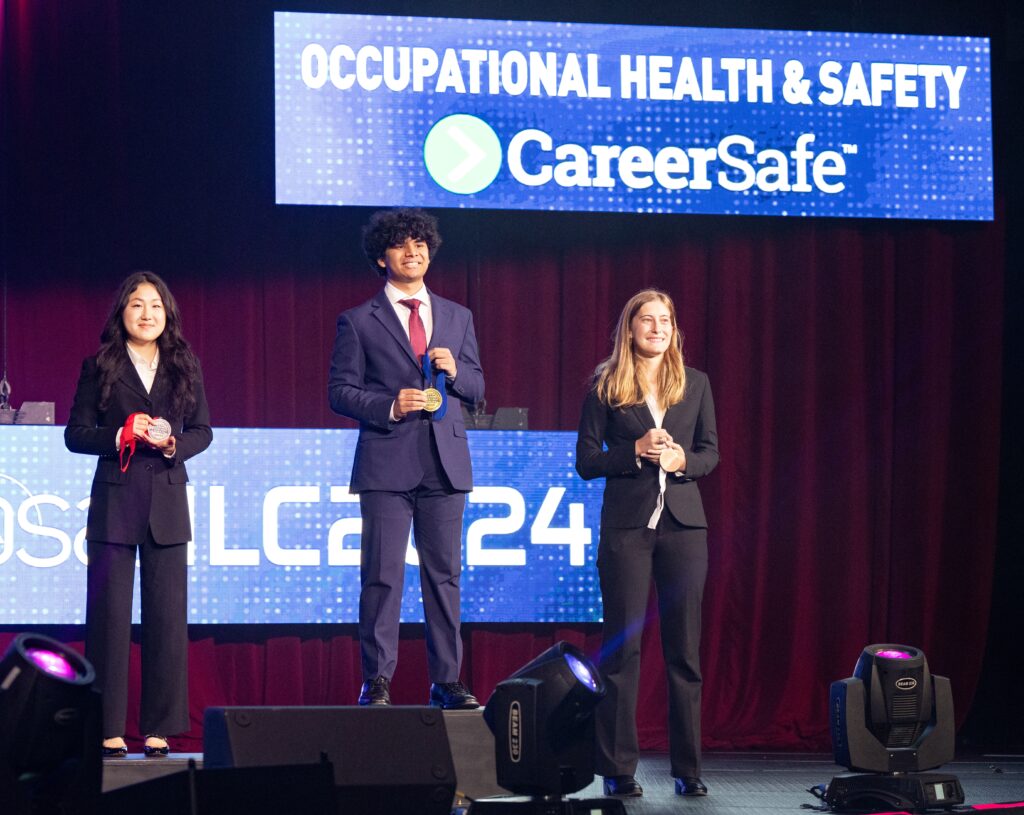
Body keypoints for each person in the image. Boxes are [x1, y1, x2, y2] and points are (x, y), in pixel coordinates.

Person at [328, 208, 484, 709]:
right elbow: (340, 392)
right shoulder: (357, 320)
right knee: (382, 575)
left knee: (444, 576)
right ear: (382, 256)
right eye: (401, 244)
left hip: (445, 464)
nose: (412, 251)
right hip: (386, 462)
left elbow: (478, 388)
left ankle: (447, 679)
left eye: (420, 243)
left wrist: (456, 372)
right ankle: (377, 680)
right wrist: (389, 404)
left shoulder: (458, 317)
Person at [575, 289, 719, 798]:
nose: (657, 328)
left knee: (684, 651)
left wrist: (682, 462)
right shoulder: (606, 385)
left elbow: (710, 452)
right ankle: (618, 769)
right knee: (624, 650)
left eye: (665, 320)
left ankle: (689, 769)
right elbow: (587, 460)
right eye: (647, 320)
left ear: (673, 330)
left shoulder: (695, 384)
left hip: (684, 528)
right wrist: (633, 450)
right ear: (629, 329)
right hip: (627, 530)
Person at [65, 271, 212, 757]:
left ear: (167, 313)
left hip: (168, 502)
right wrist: (120, 434)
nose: (147, 314)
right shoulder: (99, 365)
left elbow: (203, 431)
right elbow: (75, 434)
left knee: (167, 621)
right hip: (115, 501)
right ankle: (106, 727)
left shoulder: (184, 365)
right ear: (121, 313)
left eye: (155, 305)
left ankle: (159, 728)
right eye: (136, 305)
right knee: (108, 619)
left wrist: (174, 443)